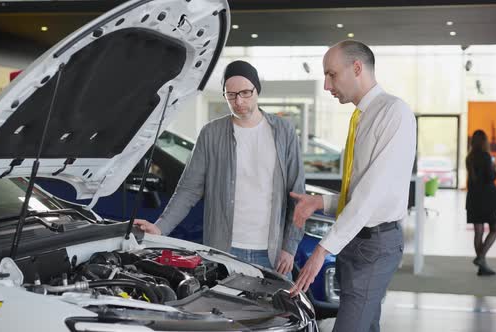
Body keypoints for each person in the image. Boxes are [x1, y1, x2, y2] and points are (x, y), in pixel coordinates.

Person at [288, 40, 416, 332]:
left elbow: (371, 196)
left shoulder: (393, 113)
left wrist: (321, 250)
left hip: (374, 245)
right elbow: (360, 191)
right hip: (356, 242)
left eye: (331, 74)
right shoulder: (362, 117)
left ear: (357, 68)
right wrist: (321, 203)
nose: (326, 85)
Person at [134, 60, 305, 276]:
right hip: (223, 251)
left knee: (276, 310)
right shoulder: (211, 133)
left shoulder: (283, 131)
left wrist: (290, 247)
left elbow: (297, 195)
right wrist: (160, 228)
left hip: (271, 253)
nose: (239, 101)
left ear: (257, 90)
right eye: (231, 95)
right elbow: (189, 189)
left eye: (245, 93)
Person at [465, 129, 496, 276]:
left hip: (473, 199)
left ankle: (482, 268)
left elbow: (472, 182)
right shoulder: (486, 157)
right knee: (495, 228)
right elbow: (490, 178)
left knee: (478, 232)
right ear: (484, 142)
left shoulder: (469, 158)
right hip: (486, 200)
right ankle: (481, 258)